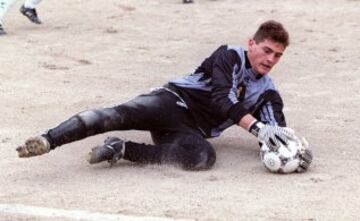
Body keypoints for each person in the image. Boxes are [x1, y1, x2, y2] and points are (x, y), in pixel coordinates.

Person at [16, 20, 313, 172]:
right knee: (115, 115)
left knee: (201, 158)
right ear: (252, 43)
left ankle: (121, 149)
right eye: (267, 50)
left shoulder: (269, 94)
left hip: (188, 131)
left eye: (278, 55)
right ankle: (47, 140)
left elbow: (276, 132)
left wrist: (292, 153)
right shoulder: (229, 55)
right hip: (171, 101)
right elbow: (223, 100)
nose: (271, 59)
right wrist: (258, 128)